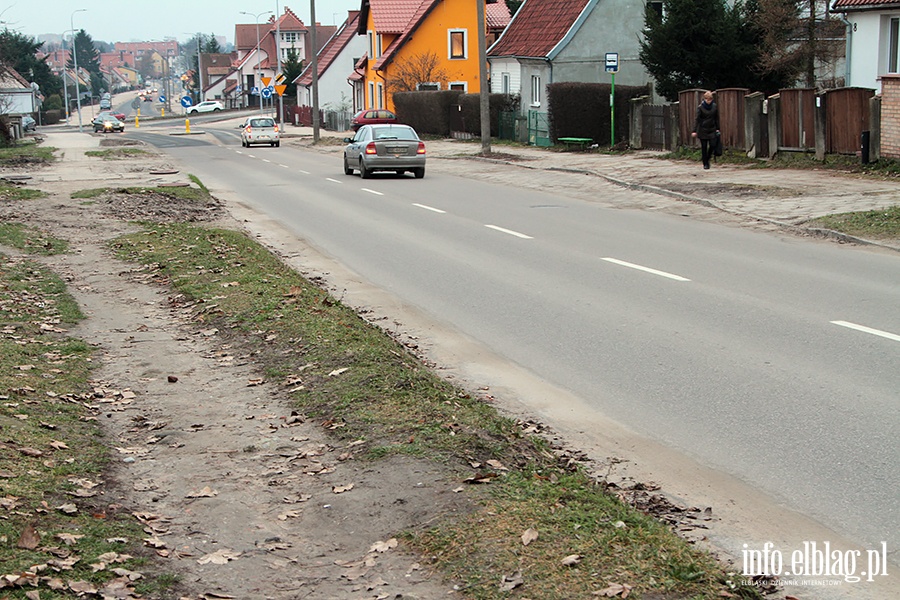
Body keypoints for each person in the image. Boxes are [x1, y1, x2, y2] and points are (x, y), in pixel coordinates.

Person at [691, 91, 720, 170]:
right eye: (707, 99)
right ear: (704, 99)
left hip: (712, 128)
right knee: (704, 147)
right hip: (703, 129)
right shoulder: (700, 107)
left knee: (713, 145)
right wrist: (694, 130)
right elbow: (697, 119)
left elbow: (716, 118)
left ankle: (708, 157)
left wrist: (718, 128)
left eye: (710, 99)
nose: (708, 101)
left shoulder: (714, 106)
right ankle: (705, 163)